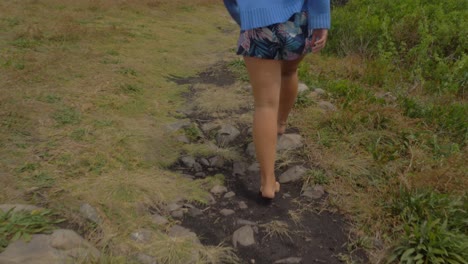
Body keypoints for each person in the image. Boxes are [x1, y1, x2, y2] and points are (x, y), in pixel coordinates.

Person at [224, 0, 331, 200]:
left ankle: (267, 183)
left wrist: (245, 16)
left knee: (265, 104)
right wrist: (321, 21)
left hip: (256, 18)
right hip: (296, 18)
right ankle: (280, 124)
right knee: (289, 71)